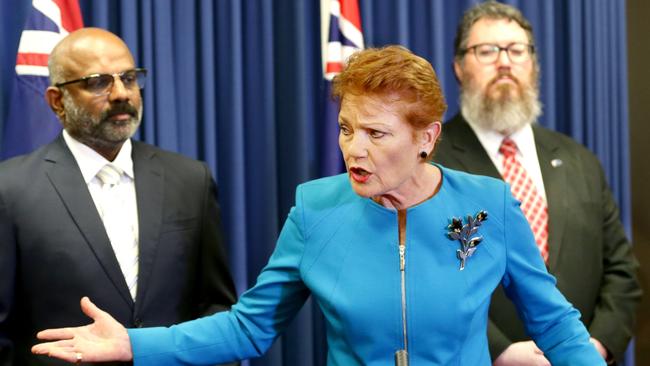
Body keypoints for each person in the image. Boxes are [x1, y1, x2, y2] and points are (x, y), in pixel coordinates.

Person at [31, 45, 605, 366]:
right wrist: (135, 344)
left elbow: (554, 324)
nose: (353, 149)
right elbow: (248, 329)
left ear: (426, 137)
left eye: (377, 134)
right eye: (346, 128)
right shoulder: (315, 207)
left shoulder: (489, 203)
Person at [0, 28, 237, 365]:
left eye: (129, 78)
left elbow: (216, 308)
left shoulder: (189, 180)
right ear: (57, 101)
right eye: (99, 82)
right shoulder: (10, 189)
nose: (121, 93)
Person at [433, 1, 642, 365]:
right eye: (487, 51)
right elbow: (428, 277)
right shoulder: (432, 163)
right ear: (458, 68)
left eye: (517, 50)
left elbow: (621, 273)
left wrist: (591, 347)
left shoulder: (580, 160)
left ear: (534, 66)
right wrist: (499, 351)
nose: (504, 61)